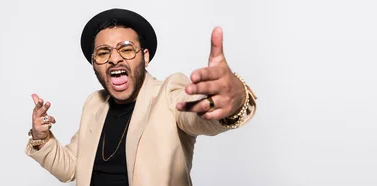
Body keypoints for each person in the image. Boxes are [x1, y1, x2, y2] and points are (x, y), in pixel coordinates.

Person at [25, 8, 257, 186]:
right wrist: (41, 137)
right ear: (95, 64)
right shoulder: (94, 105)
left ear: (145, 57)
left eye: (126, 49)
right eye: (103, 53)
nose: (114, 59)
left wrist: (234, 101)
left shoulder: (168, 92)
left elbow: (197, 117)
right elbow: (71, 168)